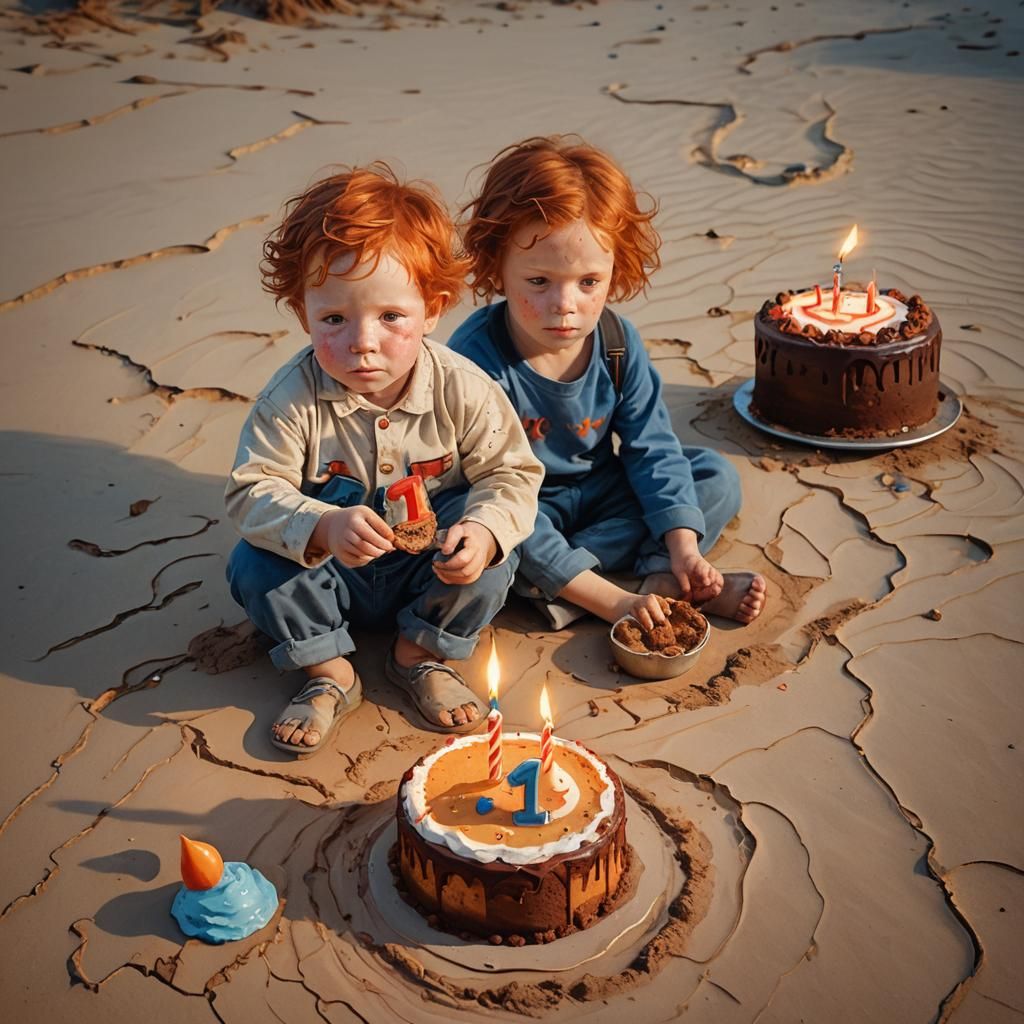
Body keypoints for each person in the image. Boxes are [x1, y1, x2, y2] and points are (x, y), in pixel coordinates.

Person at [225, 163, 543, 757]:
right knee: (254, 568)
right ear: (303, 314)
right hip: (328, 570)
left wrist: (483, 531)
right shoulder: (290, 400)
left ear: (433, 308)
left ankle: (420, 653)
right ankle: (328, 672)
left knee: (497, 559)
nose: (362, 341)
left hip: (431, 570)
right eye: (334, 319)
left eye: (391, 317)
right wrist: (320, 524)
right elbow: (250, 492)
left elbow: (513, 472)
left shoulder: (463, 387)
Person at [448, 135, 766, 632]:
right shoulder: (476, 360)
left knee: (713, 476)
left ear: (616, 269)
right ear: (497, 266)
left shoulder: (617, 343)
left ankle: (655, 578)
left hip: (601, 490)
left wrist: (682, 546)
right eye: (539, 281)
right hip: (522, 503)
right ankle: (609, 595)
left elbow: (650, 447)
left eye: (588, 282)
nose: (565, 303)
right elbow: (480, 487)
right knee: (497, 533)